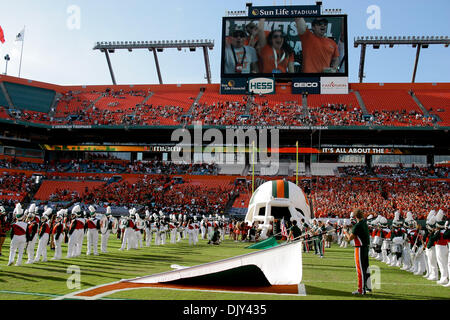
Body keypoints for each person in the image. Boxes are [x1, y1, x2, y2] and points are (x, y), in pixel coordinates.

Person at [343, 208, 372, 295]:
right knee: (366, 268)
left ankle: (361, 289)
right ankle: (368, 287)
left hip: (360, 248)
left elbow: (349, 238)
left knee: (360, 269)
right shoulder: (363, 223)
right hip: (365, 248)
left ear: (355, 216)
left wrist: (345, 231)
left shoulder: (358, 225)